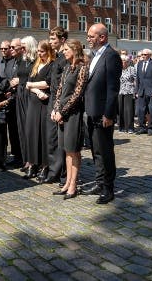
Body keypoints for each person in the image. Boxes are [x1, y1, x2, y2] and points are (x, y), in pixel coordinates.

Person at [82, 23, 122, 205]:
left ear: (102, 37)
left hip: (102, 113)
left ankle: (108, 188)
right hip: (91, 111)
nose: (88, 39)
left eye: (91, 36)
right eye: (88, 36)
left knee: (105, 151)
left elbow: (113, 88)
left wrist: (109, 114)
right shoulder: (95, 56)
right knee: (96, 151)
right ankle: (99, 183)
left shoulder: (111, 56)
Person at [51, 39, 88, 199]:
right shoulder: (66, 68)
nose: (63, 51)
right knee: (66, 149)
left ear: (74, 50)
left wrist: (63, 111)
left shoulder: (82, 68)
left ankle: (73, 184)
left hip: (73, 114)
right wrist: (55, 109)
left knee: (73, 150)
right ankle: (67, 182)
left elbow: (77, 94)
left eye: (66, 49)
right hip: (62, 114)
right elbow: (60, 91)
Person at [23, 40, 55, 179]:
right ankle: (32, 163)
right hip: (34, 101)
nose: (39, 54)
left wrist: (32, 86)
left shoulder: (51, 65)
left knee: (43, 134)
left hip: (45, 103)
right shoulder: (36, 64)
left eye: (42, 51)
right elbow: (27, 84)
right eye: (38, 52)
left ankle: (44, 165)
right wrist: (36, 90)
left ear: (48, 51)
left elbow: (48, 83)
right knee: (31, 133)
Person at [42, 26, 68, 184]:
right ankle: (54, 170)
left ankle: (58, 172)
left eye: (53, 39)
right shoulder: (57, 57)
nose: (50, 42)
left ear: (62, 40)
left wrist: (58, 106)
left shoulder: (65, 58)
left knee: (58, 140)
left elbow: (64, 84)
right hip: (52, 100)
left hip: (59, 102)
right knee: (51, 139)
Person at [13, 36, 37, 172]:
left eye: (23, 47)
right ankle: (26, 159)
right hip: (20, 94)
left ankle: (33, 160)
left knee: (30, 128)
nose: (21, 49)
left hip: (30, 94)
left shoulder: (35, 61)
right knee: (22, 128)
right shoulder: (22, 60)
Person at [135, 49, 152, 135]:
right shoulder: (139, 64)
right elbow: (137, 79)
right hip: (141, 91)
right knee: (140, 110)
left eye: (145, 54)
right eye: (142, 54)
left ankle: (151, 128)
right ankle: (142, 127)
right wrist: (137, 91)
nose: (143, 56)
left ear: (149, 55)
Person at [118, 55, 136, 134]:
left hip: (129, 91)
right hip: (120, 91)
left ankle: (130, 127)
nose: (122, 62)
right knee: (121, 110)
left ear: (128, 62)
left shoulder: (132, 69)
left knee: (129, 110)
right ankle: (122, 127)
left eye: (124, 61)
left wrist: (136, 91)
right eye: (121, 61)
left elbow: (136, 80)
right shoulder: (118, 69)